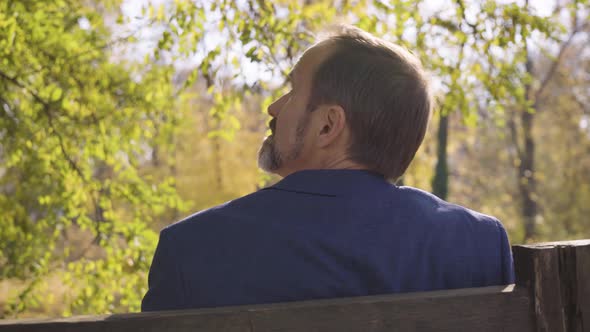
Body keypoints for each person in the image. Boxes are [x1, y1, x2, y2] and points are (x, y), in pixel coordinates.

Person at [141, 25, 515, 312]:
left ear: (327, 126)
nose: (274, 108)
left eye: (292, 91)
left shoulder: (191, 251)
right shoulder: (477, 246)